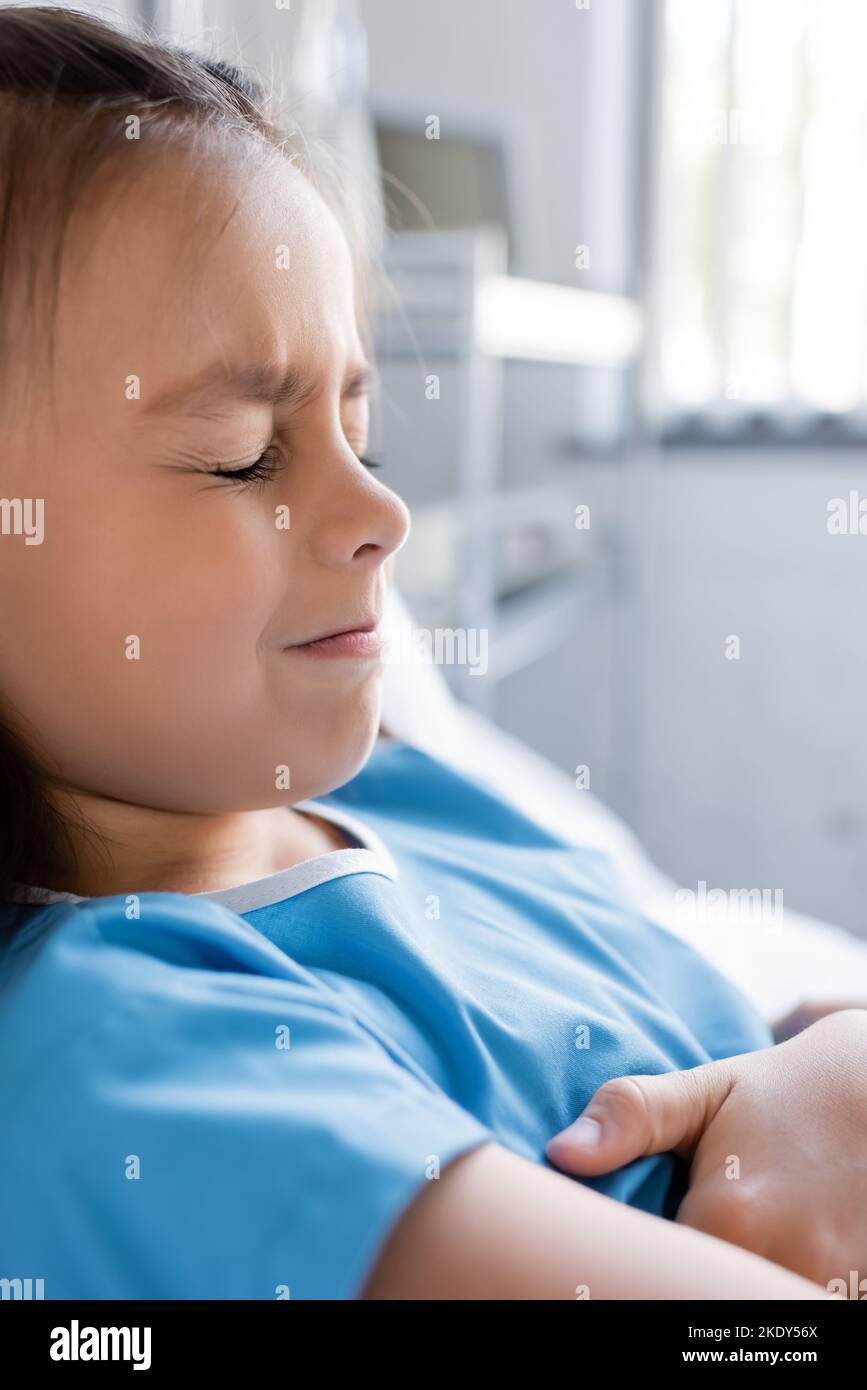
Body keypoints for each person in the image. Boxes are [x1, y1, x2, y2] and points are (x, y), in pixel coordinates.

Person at [0, 6, 856, 1301]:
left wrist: (833, 1062)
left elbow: (716, 1017)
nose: (380, 514)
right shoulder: (136, 1058)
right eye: (243, 454)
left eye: (364, 431)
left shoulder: (392, 794)